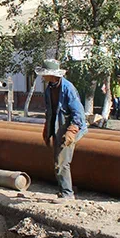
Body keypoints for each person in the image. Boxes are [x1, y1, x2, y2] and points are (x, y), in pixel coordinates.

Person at [38, 58, 87, 201]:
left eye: (44, 73)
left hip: (69, 128)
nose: (42, 76)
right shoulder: (50, 88)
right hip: (58, 127)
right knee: (57, 161)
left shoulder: (68, 88)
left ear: (52, 74)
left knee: (62, 162)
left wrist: (71, 131)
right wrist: (47, 130)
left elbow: (78, 113)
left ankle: (67, 194)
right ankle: (64, 189)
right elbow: (50, 112)